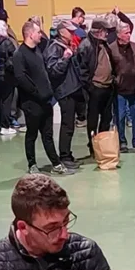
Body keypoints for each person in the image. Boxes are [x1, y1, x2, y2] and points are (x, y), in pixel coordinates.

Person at [13, 20, 64, 174]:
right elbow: (21, 78)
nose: (41, 35)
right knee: (32, 134)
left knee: (48, 134)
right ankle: (32, 164)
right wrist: (37, 93)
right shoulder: (19, 54)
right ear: (30, 34)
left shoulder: (37, 51)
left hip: (46, 101)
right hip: (32, 103)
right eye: (38, 32)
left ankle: (56, 164)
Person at [43, 22, 83, 172]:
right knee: (67, 125)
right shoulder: (55, 48)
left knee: (70, 125)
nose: (72, 34)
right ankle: (64, 156)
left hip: (71, 89)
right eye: (69, 31)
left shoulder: (66, 45)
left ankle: (67, 154)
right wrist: (65, 58)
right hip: (64, 91)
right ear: (61, 32)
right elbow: (53, 70)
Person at [77, 19, 117, 154]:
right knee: (93, 120)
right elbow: (82, 70)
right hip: (95, 88)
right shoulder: (86, 46)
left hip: (108, 87)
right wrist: (90, 87)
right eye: (105, 31)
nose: (107, 34)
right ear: (99, 31)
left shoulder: (104, 44)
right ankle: (93, 147)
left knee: (106, 119)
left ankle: (103, 146)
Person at [112, 22, 135, 152]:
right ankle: (121, 142)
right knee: (119, 116)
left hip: (134, 89)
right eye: (126, 33)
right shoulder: (111, 49)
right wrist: (114, 81)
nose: (129, 35)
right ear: (119, 34)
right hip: (119, 90)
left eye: (130, 32)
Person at [0, 20, 19, 136]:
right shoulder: (8, 43)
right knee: (6, 101)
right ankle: (5, 126)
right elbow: (14, 59)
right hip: (6, 76)